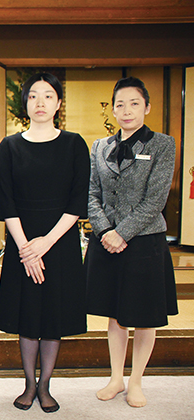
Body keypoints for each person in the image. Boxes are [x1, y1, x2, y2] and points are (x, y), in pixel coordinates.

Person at [0, 72, 90, 413]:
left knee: (52, 317)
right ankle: (29, 383)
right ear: (26, 103)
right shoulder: (9, 146)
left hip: (59, 242)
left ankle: (46, 384)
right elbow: (6, 202)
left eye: (48, 96)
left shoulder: (74, 144)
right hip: (22, 241)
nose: (40, 102)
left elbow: (77, 201)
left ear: (58, 103)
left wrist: (45, 243)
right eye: (33, 96)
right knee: (27, 315)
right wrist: (26, 250)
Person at [85, 77, 177, 408]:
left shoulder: (162, 144)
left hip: (144, 242)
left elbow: (156, 200)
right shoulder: (100, 146)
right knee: (114, 314)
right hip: (105, 240)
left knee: (145, 315)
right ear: (113, 109)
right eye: (120, 104)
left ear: (147, 107)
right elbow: (91, 193)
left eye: (134, 103)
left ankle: (136, 380)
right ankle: (115, 378)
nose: (127, 110)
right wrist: (104, 230)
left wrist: (121, 233)